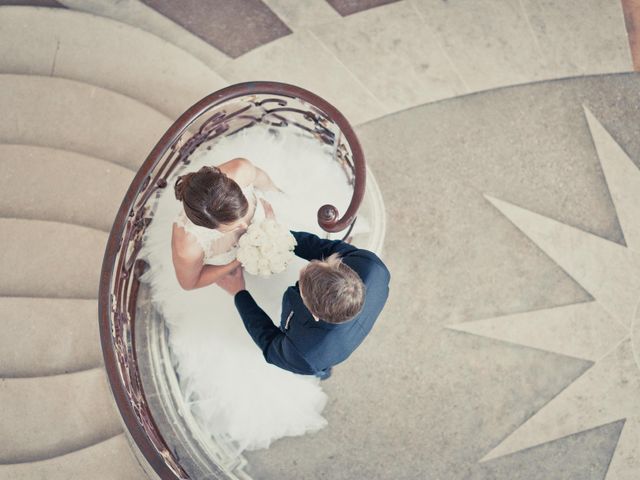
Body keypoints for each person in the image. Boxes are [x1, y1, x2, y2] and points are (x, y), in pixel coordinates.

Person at [217, 230, 391, 380]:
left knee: (319, 369)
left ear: (314, 314)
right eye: (319, 264)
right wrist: (275, 237)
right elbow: (327, 248)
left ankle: (323, 373)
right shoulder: (372, 266)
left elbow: (270, 343)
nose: (302, 269)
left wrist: (239, 292)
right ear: (339, 266)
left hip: (322, 353)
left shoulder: (305, 355)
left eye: (301, 284)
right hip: (353, 321)